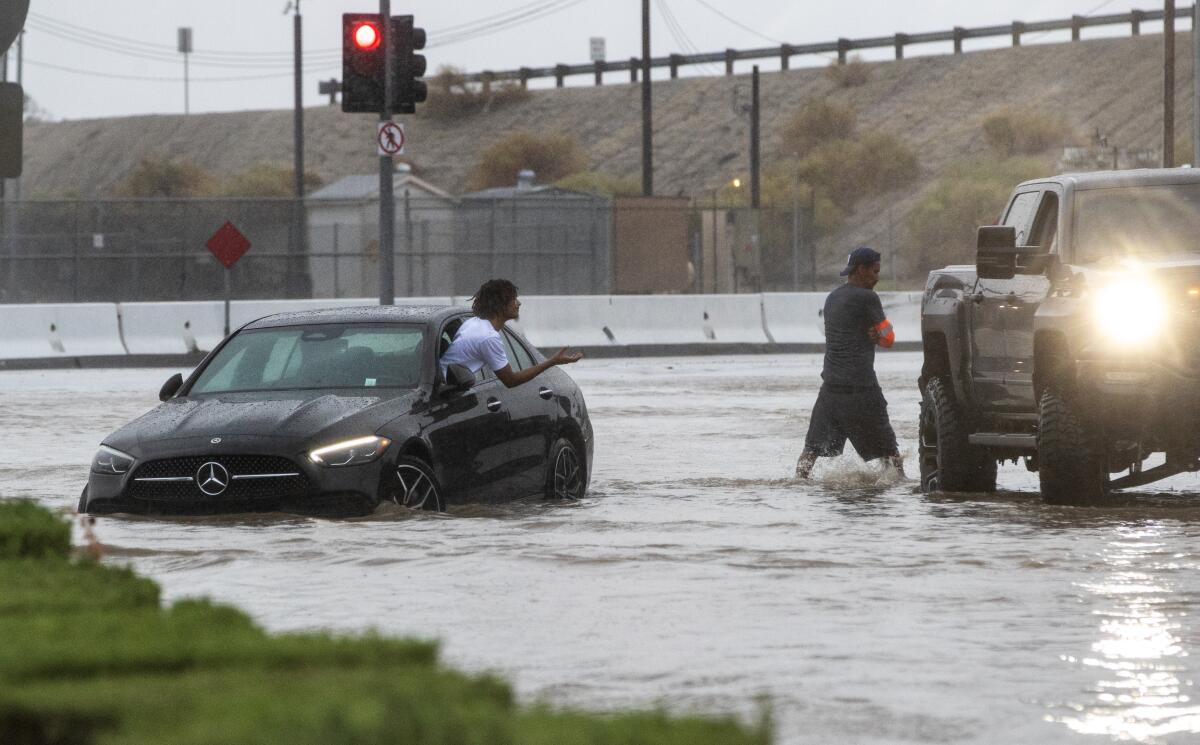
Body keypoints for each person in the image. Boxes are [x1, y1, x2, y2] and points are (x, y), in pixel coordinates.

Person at [795, 247, 903, 479]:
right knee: (891, 456)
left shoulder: (832, 297)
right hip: (861, 389)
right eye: (874, 271)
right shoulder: (868, 297)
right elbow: (889, 339)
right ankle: (902, 489)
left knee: (810, 453)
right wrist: (878, 334)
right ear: (861, 270)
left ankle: (798, 488)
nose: (876, 277)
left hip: (830, 389)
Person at [440, 279, 582, 387]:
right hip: (446, 391)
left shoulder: (474, 323)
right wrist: (551, 362)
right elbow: (510, 381)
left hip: (442, 385)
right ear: (500, 305)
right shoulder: (488, 337)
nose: (519, 303)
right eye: (514, 299)